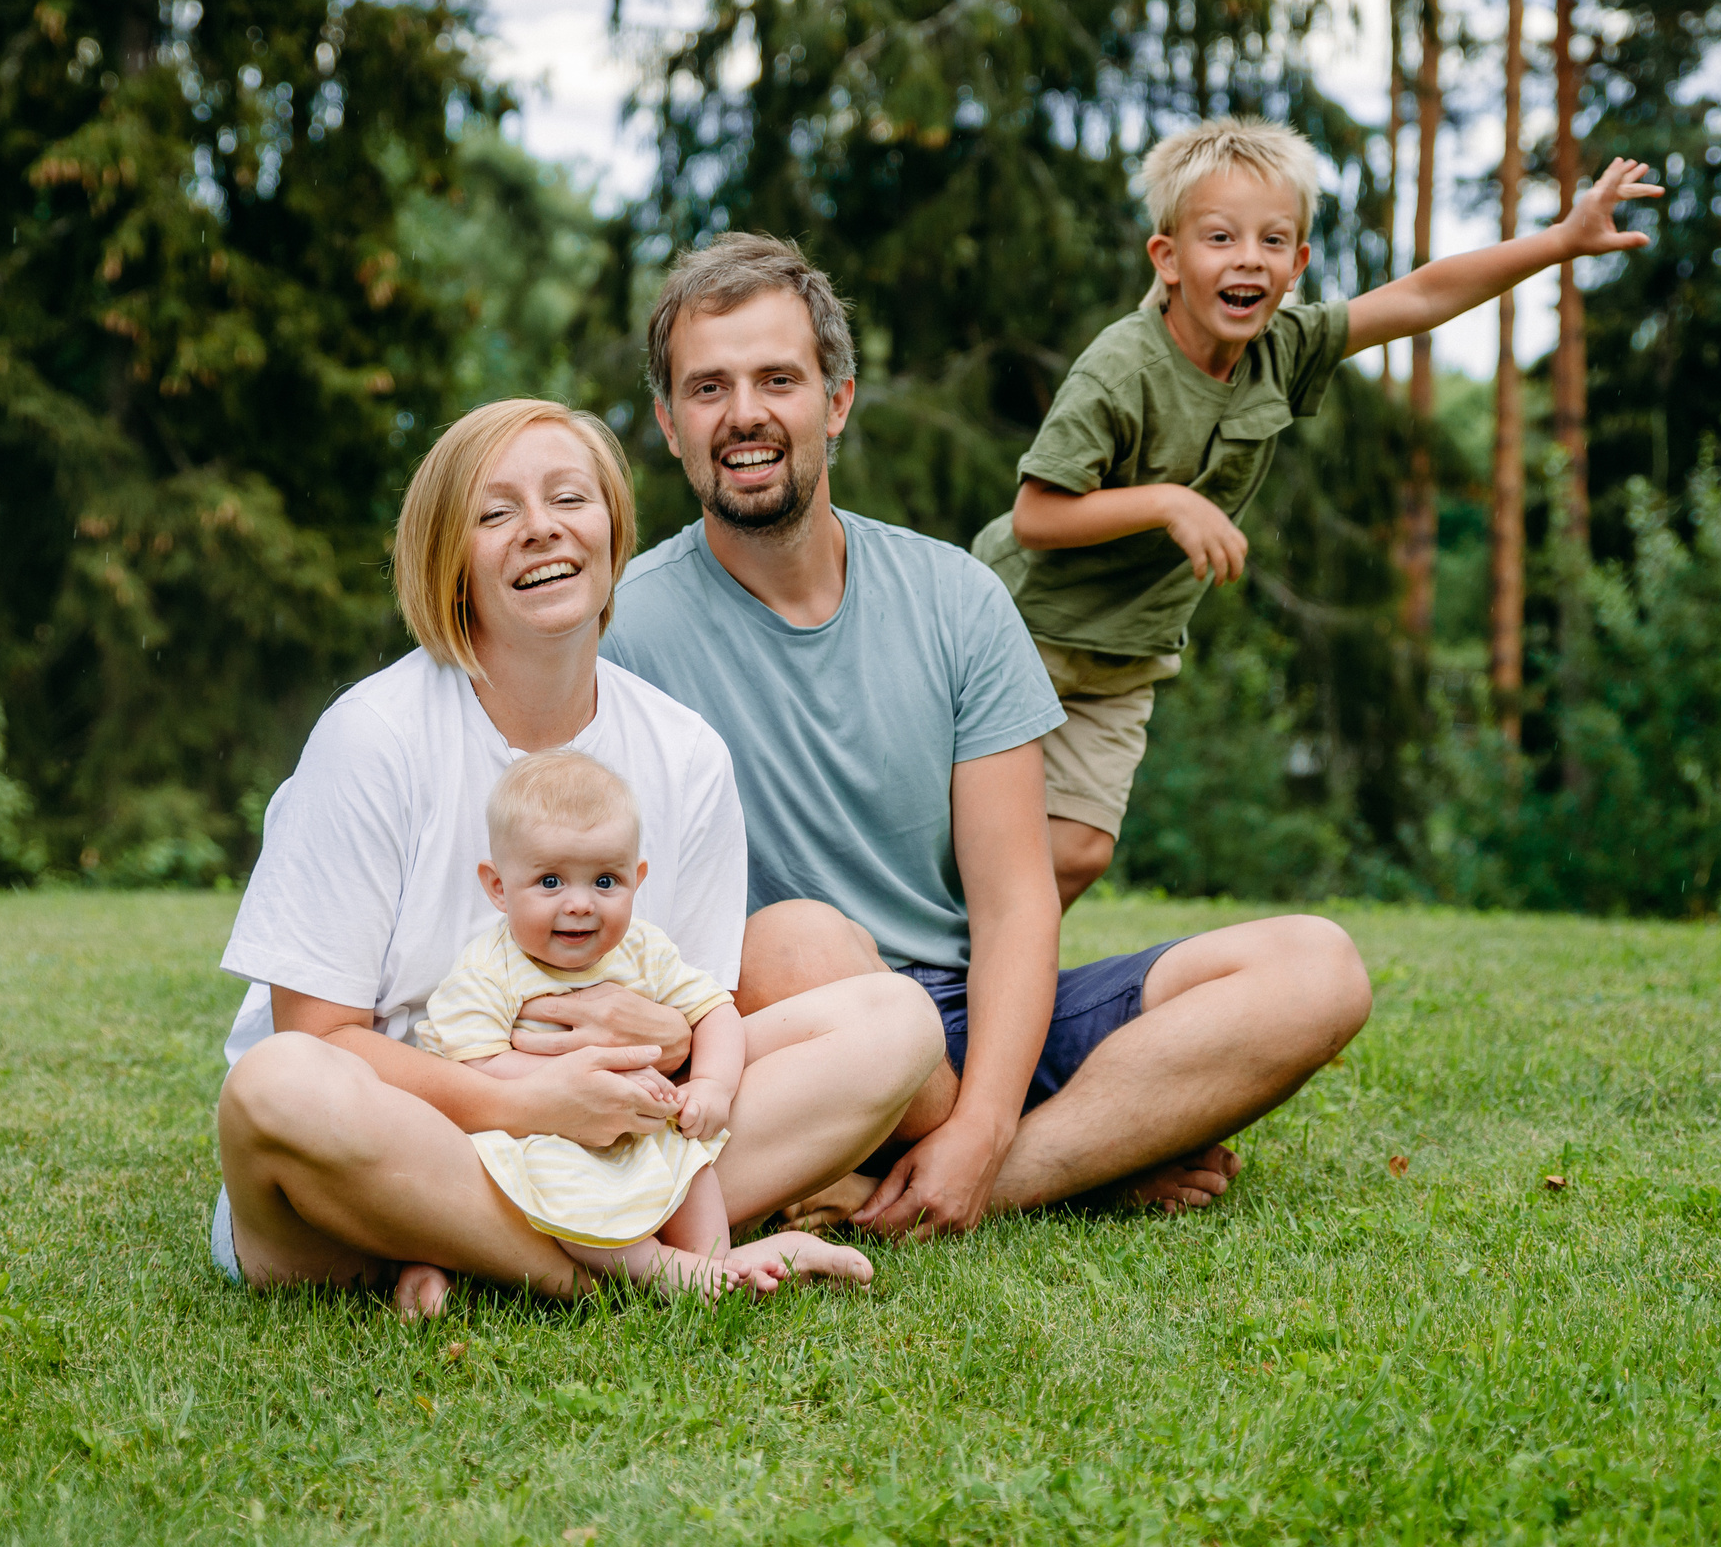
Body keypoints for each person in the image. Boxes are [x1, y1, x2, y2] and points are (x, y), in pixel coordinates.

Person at [599, 234, 1373, 1238]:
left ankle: (988, 1171)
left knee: (1316, 966)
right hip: (799, 1033)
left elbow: (1015, 902)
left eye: (776, 379)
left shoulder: (955, 597)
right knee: (795, 938)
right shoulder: (623, 631)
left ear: (834, 401)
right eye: (708, 388)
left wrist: (984, 1124)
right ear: (668, 421)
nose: (744, 412)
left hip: (978, 1015)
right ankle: (1085, 1146)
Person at [212, 397, 936, 1314]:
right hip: (402, 1137)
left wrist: (654, 1050)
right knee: (279, 1084)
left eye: (570, 497)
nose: (542, 528)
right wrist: (532, 1100)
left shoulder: (685, 752)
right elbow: (318, 1037)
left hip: (609, 1139)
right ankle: (628, 1273)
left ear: (612, 529)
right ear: (451, 559)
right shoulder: (371, 738)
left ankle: (468, 1258)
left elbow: (695, 1013)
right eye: (496, 511)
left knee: (895, 1019)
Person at [971, 116, 1664, 904]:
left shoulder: (1283, 348)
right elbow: (1037, 516)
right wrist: (1168, 502)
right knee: (976, 831)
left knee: (1079, 851)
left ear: (1298, 263)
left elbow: (1422, 294)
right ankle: (925, 971)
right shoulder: (1120, 369)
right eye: (1221, 237)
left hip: (1122, 656)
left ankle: (971, 989)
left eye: (1273, 241)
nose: (1248, 259)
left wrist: (1563, 240)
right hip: (1019, 629)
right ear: (1167, 259)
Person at [420, 748, 812, 1295]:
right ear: (498, 887)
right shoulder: (488, 972)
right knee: (566, 1186)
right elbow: (477, 1064)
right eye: (551, 882)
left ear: (637, 877)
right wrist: (585, 1080)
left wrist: (712, 1085)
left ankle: (716, 1263)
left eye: (605, 882)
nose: (581, 904)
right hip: (546, 1133)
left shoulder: (644, 950)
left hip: (640, 1129)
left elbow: (714, 1010)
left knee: (690, 1163)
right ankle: (659, 1270)